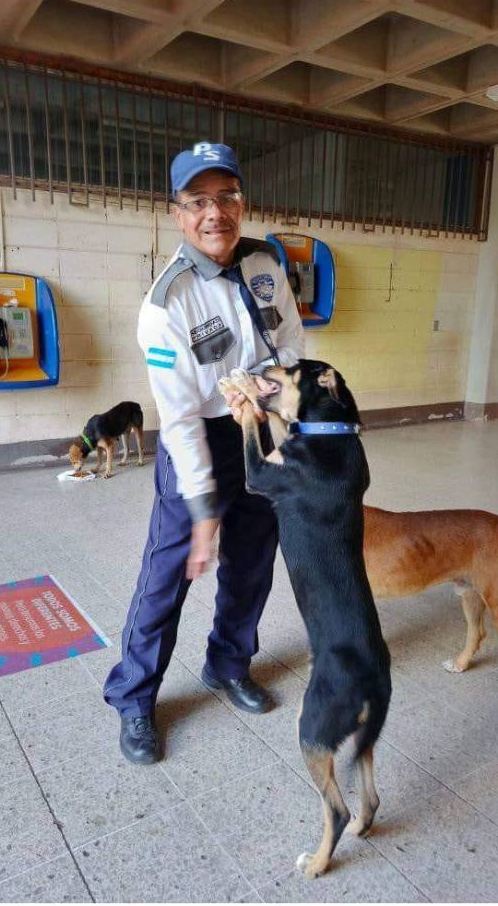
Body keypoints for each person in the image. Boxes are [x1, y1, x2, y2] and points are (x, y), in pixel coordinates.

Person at [103, 141, 305, 764]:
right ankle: (134, 698)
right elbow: (181, 419)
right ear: (177, 213)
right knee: (167, 576)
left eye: (226, 197)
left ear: (241, 202)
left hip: (261, 427)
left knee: (251, 564)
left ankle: (228, 664)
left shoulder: (266, 265)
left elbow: (292, 346)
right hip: (200, 440)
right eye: (198, 201)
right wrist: (202, 510)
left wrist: (268, 397)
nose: (214, 213)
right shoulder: (166, 305)